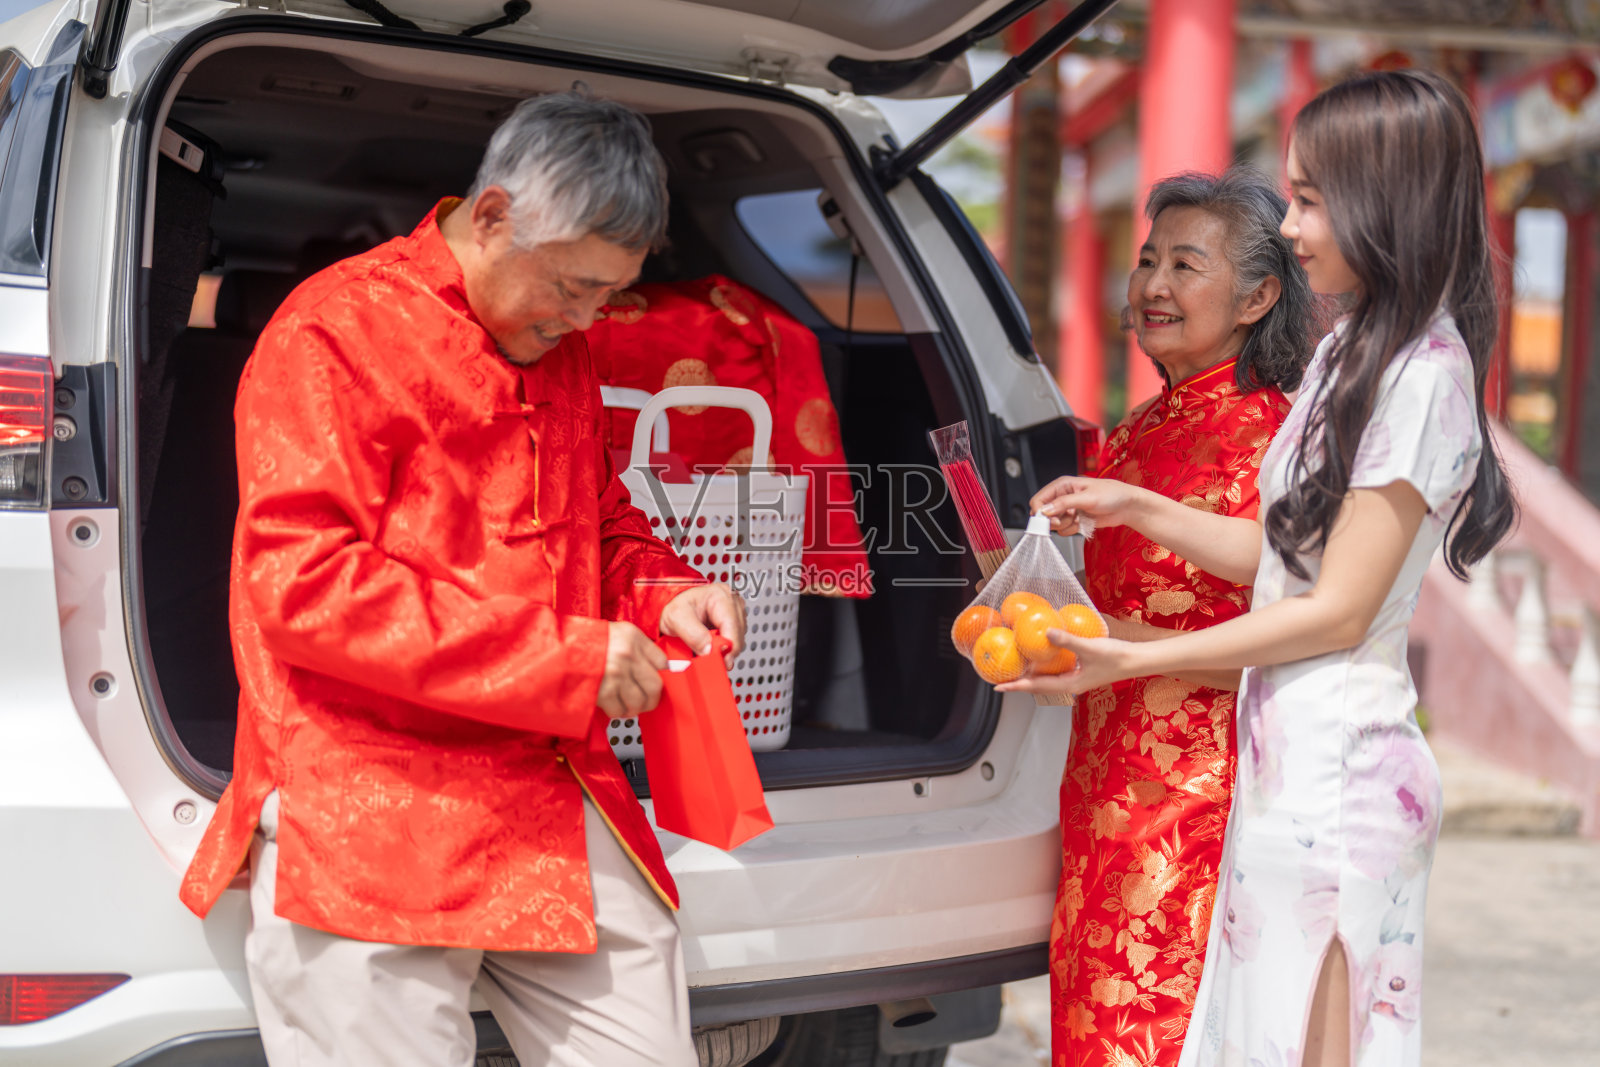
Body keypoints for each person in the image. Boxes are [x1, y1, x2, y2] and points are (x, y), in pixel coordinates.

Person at [177, 92, 747, 1067]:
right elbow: (304, 585)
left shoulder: (561, 346)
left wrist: (665, 589)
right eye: (571, 285)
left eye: (606, 296)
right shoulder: (334, 332)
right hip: (372, 803)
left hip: (547, 792)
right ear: (490, 217)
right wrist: (567, 661)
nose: (584, 319)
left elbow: (599, 518)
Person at [1016, 69, 1515, 1067]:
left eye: (1310, 200)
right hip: (1278, 763)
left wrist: (1131, 657)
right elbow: (1286, 556)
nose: (1290, 227)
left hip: (1342, 776)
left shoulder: (1424, 374)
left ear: (1387, 202)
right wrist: (1134, 503)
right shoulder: (1348, 354)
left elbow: (1336, 611)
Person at [1041, 168, 1316, 1066]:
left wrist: (1124, 644)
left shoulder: (1273, 439)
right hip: (1103, 785)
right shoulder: (1137, 430)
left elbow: (1293, 641)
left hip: (1201, 801)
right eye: (1148, 260)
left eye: (1186, 265)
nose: (1154, 285)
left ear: (1257, 298)